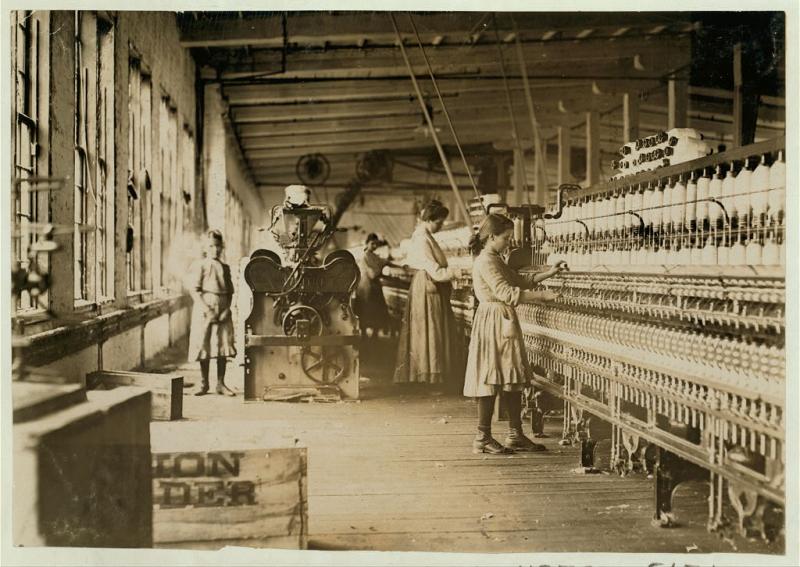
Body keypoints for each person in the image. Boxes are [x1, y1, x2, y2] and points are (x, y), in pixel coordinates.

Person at [464, 213, 566, 454]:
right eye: (506, 238)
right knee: (491, 377)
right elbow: (508, 293)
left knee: (511, 377)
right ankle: (483, 437)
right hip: (495, 320)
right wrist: (544, 295)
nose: (509, 242)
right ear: (491, 237)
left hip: (502, 320)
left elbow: (518, 279)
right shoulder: (486, 261)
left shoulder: (495, 258)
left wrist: (548, 274)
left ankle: (515, 434)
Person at [393, 200, 462, 387]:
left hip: (426, 285)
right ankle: (431, 376)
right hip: (427, 286)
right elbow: (436, 272)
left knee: (430, 331)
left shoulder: (425, 236)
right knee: (432, 332)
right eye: (438, 222)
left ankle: (431, 375)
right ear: (429, 220)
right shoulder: (423, 240)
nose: (440, 226)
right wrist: (458, 273)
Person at [187, 229, 237, 396]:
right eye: (211, 246)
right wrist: (206, 310)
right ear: (205, 247)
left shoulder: (225, 267)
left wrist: (227, 310)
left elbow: (230, 293)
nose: (215, 249)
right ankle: (204, 383)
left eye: (218, 246)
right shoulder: (199, 266)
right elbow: (195, 291)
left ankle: (221, 384)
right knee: (204, 345)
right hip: (205, 311)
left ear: (222, 247)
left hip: (222, 311)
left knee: (222, 345)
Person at [354, 233, 393, 339]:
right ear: (367, 243)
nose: (375, 246)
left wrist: (395, 264)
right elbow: (372, 274)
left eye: (376, 244)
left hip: (374, 287)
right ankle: (364, 334)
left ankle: (375, 334)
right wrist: (380, 268)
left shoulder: (374, 256)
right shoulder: (365, 256)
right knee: (366, 310)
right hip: (366, 288)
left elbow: (384, 262)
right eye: (372, 244)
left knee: (377, 310)